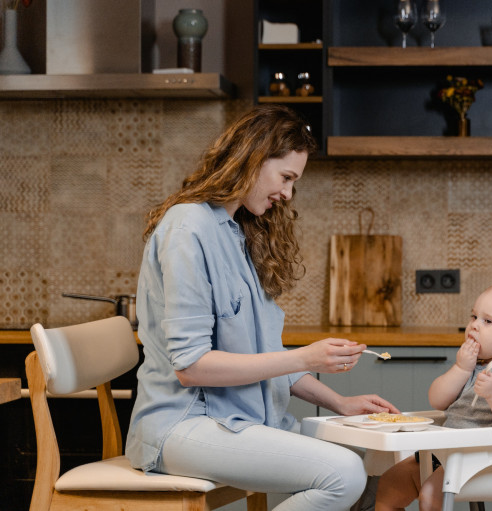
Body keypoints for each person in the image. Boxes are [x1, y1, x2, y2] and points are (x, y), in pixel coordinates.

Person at [125, 104, 399, 511]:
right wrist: (306, 357)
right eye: (285, 177)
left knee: (368, 463)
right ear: (252, 158)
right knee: (343, 475)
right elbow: (192, 367)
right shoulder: (188, 228)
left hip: (233, 420)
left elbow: (261, 357)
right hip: (182, 425)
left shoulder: (236, 234)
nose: (287, 194)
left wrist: (339, 404)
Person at [374, 282, 492, 511]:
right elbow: (437, 400)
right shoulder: (472, 367)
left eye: (487, 321)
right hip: (445, 453)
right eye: (473, 317)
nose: (474, 326)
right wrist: (461, 369)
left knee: (432, 492)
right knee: (390, 482)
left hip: (487, 457)